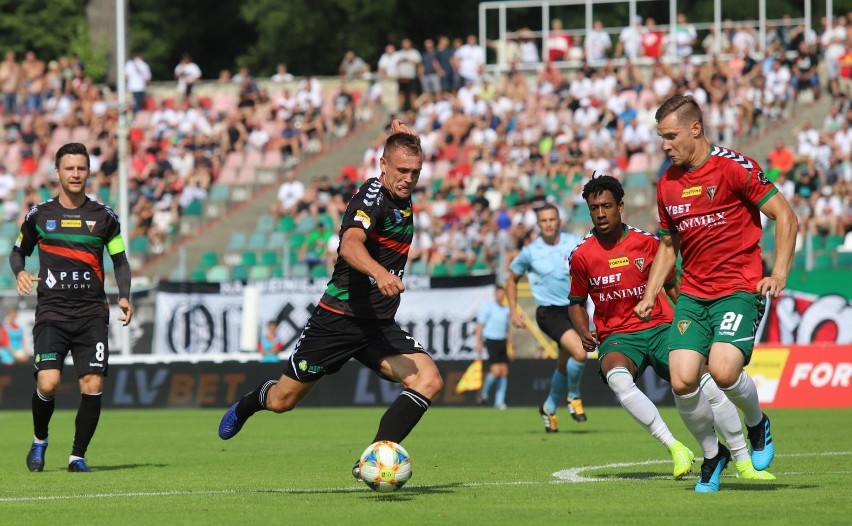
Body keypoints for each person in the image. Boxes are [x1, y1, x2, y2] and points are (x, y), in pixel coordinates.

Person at [218, 120, 443, 483]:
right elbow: (351, 244)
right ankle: (249, 402)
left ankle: (371, 462)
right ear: (382, 165)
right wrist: (379, 274)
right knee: (282, 402)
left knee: (428, 379)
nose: (408, 178)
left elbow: (405, 150)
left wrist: (409, 137)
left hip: (377, 324)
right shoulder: (371, 198)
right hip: (338, 319)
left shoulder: (401, 185)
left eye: (415, 172)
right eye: (401, 170)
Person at [568, 174, 775, 485]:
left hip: (663, 327)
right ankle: (676, 447)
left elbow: (674, 287)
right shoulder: (582, 255)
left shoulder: (648, 244)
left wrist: (693, 325)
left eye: (606, 206)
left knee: (709, 385)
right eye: (594, 207)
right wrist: (583, 329)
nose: (600, 213)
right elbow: (575, 301)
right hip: (619, 337)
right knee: (618, 381)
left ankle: (743, 460)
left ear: (620, 206)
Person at [635, 95, 796, 492]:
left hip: (738, 289)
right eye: (660, 138)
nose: (665, 145)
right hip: (693, 295)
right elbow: (668, 245)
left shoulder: (733, 167)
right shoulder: (667, 184)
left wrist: (777, 272)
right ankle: (713, 455)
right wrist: (650, 293)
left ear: (696, 129)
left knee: (724, 372)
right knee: (683, 380)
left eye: (671, 136)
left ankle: (758, 425)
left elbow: (785, 215)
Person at [10, 142, 134, 473]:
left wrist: (124, 294)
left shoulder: (105, 217)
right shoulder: (40, 215)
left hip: (92, 314)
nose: (76, 174)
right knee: (48, 383)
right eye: (70, 168)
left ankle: (77, 456)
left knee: (92, 384)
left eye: (81, 168)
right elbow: (17, 251)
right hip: (52, 313)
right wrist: (20, 271)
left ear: (88, 172)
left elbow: (120, 260)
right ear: (58, 172)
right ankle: (39, 440)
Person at [506, 204, 588, 433]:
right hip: (550, 313)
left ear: (559, 220)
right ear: (539, 224)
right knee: (580, 353)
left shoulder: (574, 241)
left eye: (553, 219)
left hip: (574, 308)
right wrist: (514, 310)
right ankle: (574, 396)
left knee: (564, 365)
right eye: (544, 221)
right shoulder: (530, 252)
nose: (549, 224)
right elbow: (511, 280)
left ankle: (549, 407)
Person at [475, 285, 512, 409]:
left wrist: (511, 345)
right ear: (495, 294)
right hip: (491, 340)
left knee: (504, 372)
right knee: (496, 371)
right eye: (499, 293)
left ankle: (499, 401)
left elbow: (508, 329)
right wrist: (478, 343)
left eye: (503, 293)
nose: (501, 296)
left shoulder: (506, 310)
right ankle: (483, 394)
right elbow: (480, 326)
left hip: (502, 341)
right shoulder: (488, 307)